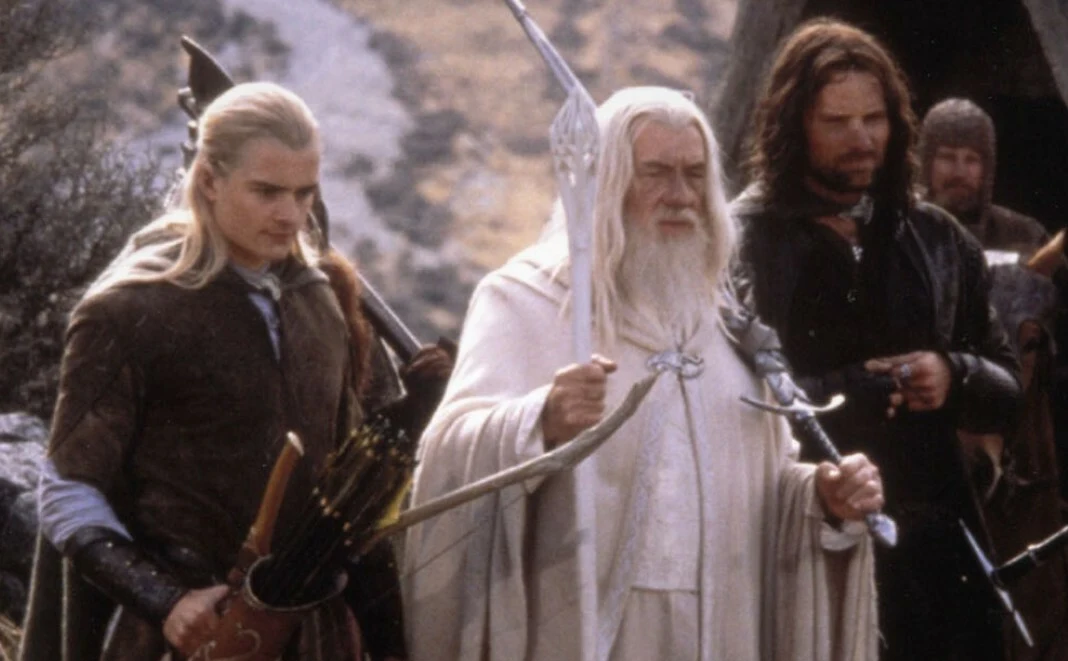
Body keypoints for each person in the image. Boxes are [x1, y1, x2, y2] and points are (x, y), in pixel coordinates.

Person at [403, 86, 885, 661]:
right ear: (608, 183)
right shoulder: (526, 301)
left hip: (715, 634)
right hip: (578, 631)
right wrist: (539, 420)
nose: (680, 196)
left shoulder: (723, 324)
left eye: (694, 175)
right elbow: (447, 457)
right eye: (655, 173)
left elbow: (764, 484)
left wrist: (823, 500)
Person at [19, 81, 447, 661]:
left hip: (308, 637)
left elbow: (345, 499)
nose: (290, 215)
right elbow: (68, 489)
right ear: (209, 181)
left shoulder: (318, 301)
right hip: (186, 636)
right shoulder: (130, 309)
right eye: (267, 192)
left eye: (304, 193)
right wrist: (166, 601)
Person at [731, 19, 1022, 661]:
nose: (862, 139)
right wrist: (843, 395)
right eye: (837, 122)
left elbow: (1009, 391)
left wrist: (953, 373)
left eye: (875, 119)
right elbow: (728, 408)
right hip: (803, 546)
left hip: (937, 562)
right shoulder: (743, 246)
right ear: (794, 125)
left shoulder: (937, 240)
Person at [919, 97, 1051, 254]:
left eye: (971, 160)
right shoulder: (901, 234)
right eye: (948, 157)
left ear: (986, 167)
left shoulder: (1024, 236)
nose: (960, 172)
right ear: (927, 162)